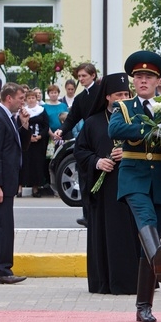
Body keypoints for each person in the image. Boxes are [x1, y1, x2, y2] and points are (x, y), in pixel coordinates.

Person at [108, 51, 161, 322]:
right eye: (138, 77)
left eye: (148, 76)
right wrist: (150, 129)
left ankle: (143, 305)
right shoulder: (123, 107)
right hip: (134, 177)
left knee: (153, 242)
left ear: (158, 80)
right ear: (133, 82)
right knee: (146, 222)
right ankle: (145, 302)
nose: (143, 81)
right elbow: (115, 131)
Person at [74, 72, 140, 295]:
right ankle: (105, 282)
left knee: (131, 235)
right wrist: (97, 162)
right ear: (107, 97)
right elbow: (80, 151)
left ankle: (132, 282)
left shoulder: (138, 118)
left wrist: (129, 153)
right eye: (118, 94)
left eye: (126, 94)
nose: (123, 98)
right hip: (105, 192)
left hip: (132, 187)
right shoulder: (93, 122)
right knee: (107, 235)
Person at [0, 82, 31, 284]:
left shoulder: (9, 118)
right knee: (3, 225)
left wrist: (24, 125)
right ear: (8, 98)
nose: (23, 103)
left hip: (7, 180)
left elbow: (20, 146)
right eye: (20, 98)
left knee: (0, 224)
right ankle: (1, 270)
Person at [60, 62, 99, 226]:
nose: (81, 79)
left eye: (84, 76)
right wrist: (61, 131)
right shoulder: (80, 98)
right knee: (85, 177)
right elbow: (72, 118)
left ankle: (97, 215)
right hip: (87, 139)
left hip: (100, 138)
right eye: (79, 76)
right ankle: (87, 214)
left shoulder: (101, 93)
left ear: (93, 76)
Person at [21, 89, 50, 197]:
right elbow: (21, 125)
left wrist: (40, 136)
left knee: (37, 165)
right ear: (26, 100)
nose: (31, 100)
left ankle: (35, 188)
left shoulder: (41, 110)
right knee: (25, 164)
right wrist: (29, 137)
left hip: (39, 142)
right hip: (27, 142)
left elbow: (46, 125)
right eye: (29, 98)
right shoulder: (24, 111)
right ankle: (21, 187)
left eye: (33, 98)